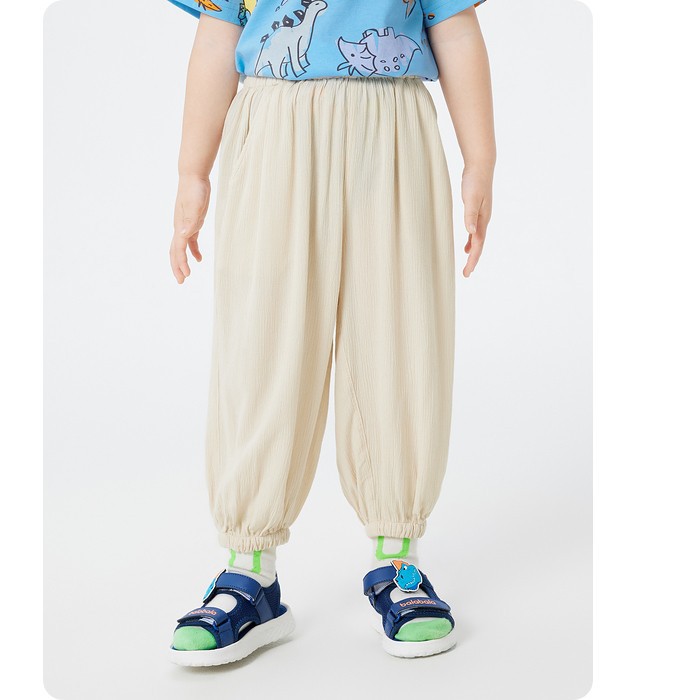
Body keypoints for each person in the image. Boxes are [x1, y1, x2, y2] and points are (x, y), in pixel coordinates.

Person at [165, 0, 495, 666]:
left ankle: (397, 557)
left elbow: (456, 28)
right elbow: (216, 38)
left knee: (399, 335)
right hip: (273, 128)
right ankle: (249, 569)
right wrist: (191, 173)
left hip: (392, 130)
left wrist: (480, 159)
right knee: (263, 342)